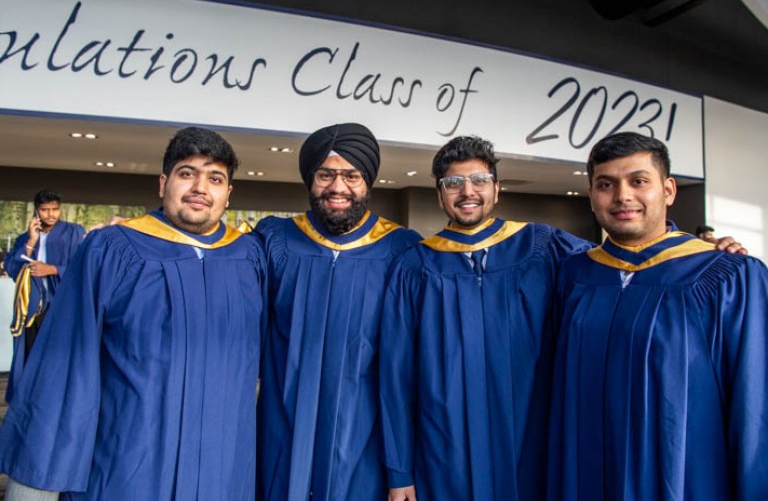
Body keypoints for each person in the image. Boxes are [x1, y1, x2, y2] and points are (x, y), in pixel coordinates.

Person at [0, 127, 268, 501]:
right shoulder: (112, 249)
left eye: (215, 178)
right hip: (130, 464)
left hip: (223, 467)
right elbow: (65, 364)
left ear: (228, 194)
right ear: (163, 183)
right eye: (187, 173)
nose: (200, 188)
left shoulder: (248, 257)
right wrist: (38, 484)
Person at [547, 132, 768, 500]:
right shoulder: (572, 277)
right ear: (591, 196)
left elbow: (755, 405)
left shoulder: (727, 277)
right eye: (606, 184)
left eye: (638, 181)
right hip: (583, 476)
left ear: (667, 190)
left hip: (683, 478)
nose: (622, 197)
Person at [379, 136, 593, 501]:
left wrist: (705, 250)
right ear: (439, 194)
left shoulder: (543, 247)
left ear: (497, 188)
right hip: (445, 449)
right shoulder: (415, 266)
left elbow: (622, 269)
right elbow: (396, 376)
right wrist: (400, 471)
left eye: (479, 180)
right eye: (453, 183)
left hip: (530, 441)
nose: (467, 191)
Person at [256, 123, 422, 501]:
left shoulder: (402, 251)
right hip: (283, 431)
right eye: (325, 174)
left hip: (365, 437)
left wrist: (401, 468)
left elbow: (407, 367)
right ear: (310, 179)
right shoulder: (274, 241)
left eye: (351, 175)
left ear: (368, 182)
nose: (337, 187)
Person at [3, 189, 85, 403]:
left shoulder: (74, 232)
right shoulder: (26, 236)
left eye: (55, 209)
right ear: (37, 211)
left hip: (62, 306)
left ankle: (57, 401)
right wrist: (31, 240)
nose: (51, 214)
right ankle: (30, 402)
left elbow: (85, 267)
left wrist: (53, 269)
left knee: (58, 355)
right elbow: (12, 268)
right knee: (31, 357)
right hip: (33, 309)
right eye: (45, 210)